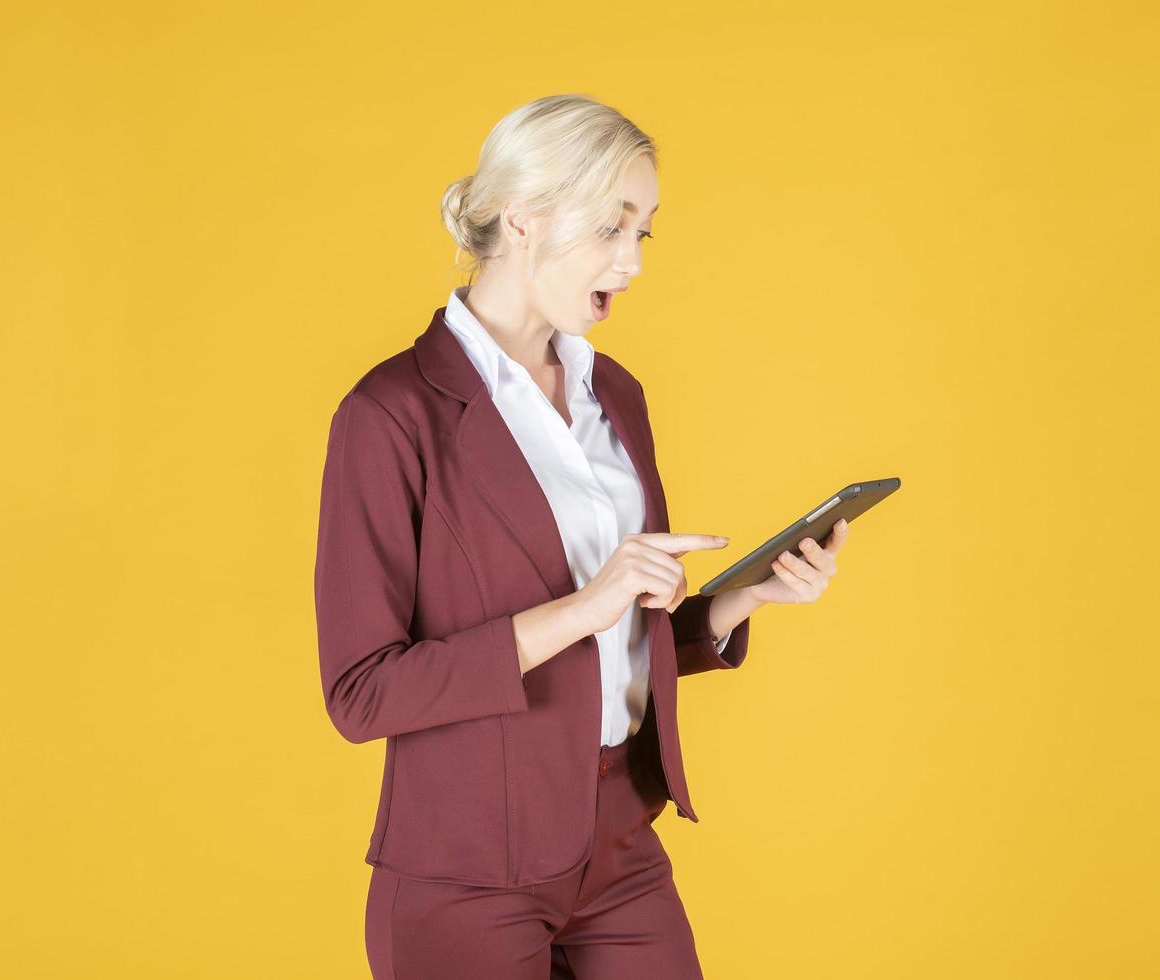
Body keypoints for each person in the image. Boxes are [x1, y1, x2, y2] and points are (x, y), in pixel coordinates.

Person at [313, 93, 848, 979]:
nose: (633, 263)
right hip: (465, 867)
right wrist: (582, 606)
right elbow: (362, 695)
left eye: (645, 233)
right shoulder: (389, 414)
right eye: (613, 228)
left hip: (619, 844)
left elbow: (617, 635)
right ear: (522, 220)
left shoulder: (617, 395)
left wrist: (741, 599)